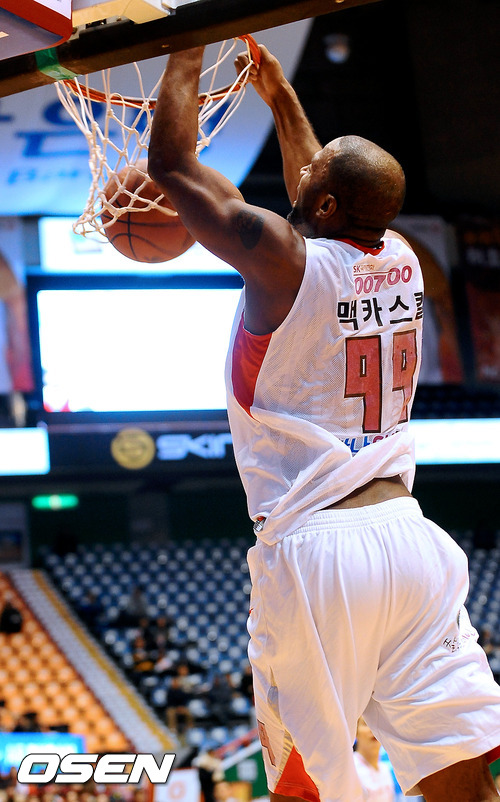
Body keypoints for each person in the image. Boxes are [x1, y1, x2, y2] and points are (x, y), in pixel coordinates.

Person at [148, 42, 500, 802]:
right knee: (464, 780)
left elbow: (171, 169)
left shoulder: (283, 258)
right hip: (412, 545)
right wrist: (280, 97)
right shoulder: (400, 255)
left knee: (306, 789)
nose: (301, 174)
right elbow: (326, 192)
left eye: (313, 176)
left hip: (319, 552)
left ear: (328, 206)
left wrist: (184, 46)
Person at [354, 718, 395, 802]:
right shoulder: (351, 768)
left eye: (377, 723)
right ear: (355, 731)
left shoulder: (385, 769)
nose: (372, 729)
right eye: (366, 724)